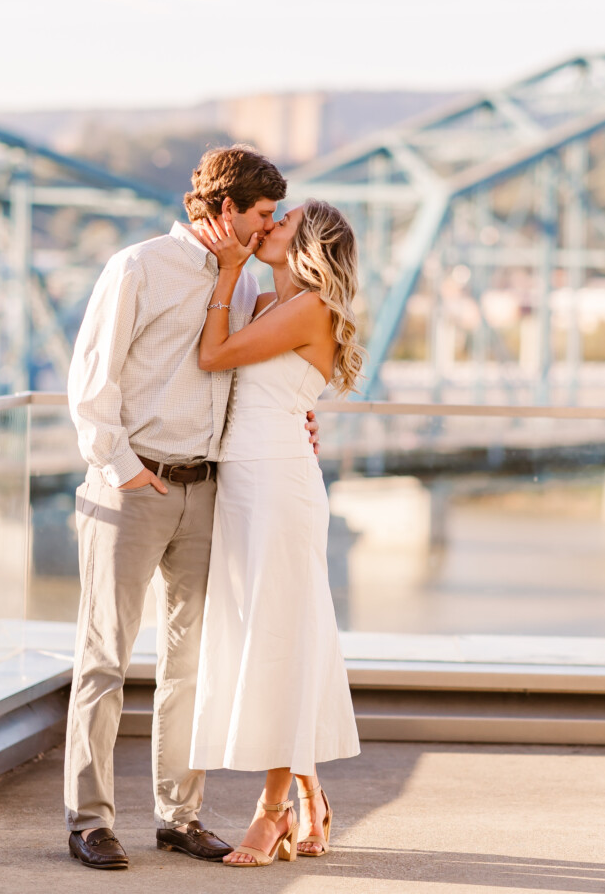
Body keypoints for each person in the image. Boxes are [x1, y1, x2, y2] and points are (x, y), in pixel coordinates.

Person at [63, 145, 318, 871]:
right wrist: (122, 469)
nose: (271, 229)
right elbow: (91, 381)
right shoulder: (137, 268)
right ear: (223, 209)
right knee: (104, 658)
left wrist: (297, 416)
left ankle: (180, 817)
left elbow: (251, 373)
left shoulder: (243, 283)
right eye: (263, 215)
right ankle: (90, 819)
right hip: (134, 486)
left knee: (191, 664)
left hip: (209, 488)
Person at [187, 199, 363, 867]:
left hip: (280, 484)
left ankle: (272, 811)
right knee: (269, 633)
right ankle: (312, 793)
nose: (266, 229)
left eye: (280, 223)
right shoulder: (266, 301)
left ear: (305, 243)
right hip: (241, 481)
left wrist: (228, 270)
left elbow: (215, 356)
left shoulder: (311, 306)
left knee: (281, 635)